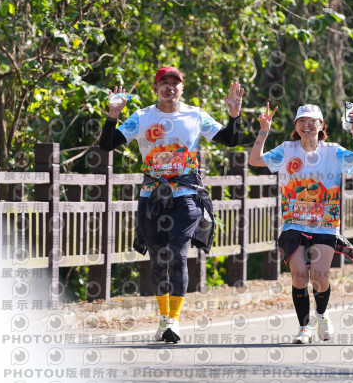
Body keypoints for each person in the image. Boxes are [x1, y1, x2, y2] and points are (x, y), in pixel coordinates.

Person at [99, 67, 244, 343]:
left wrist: (234, 114)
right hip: (152, 197)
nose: (169, 88)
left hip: (186, 195)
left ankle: (173, 320)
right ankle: (163, 317)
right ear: (155, 88)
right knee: (157, 260)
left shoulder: (195, 115)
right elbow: (107, 144)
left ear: (182, 88)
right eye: (163, 83)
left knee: (177, 255)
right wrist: (113, 115)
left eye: (174, 83)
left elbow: (231, 140)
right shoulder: (142, 117)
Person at [249, 103, 353, 344]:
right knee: (299, 277)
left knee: (319, 277)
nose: (307, 126)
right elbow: (255, 160)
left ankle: (322, 315)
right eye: (302, 121)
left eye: (312, 121)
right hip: (293, 223)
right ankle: (304, 328)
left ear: (321, 125)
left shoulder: (333, 151)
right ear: (296, 126)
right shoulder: (287, 150)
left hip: (325, 224)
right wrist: (263, 131)